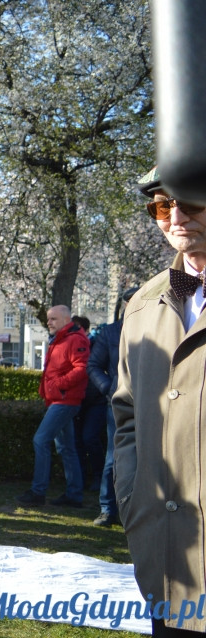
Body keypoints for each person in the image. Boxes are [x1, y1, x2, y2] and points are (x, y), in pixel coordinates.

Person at [113, 165, 206, 636]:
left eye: (189, 201)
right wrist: (132, 499)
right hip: (167, 561)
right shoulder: (145, 303)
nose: (175, 217)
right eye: (162, 206)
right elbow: (127, 413)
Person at [16, 304, 88, 507]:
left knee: (41, 440)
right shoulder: (63, 338)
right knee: (66, 448)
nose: (49, 322)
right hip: (59, 399)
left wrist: (59, 385)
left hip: (64, 400)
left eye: (53, 319)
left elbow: (82, 368)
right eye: (48, 319)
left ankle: (38, 492)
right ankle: (74, 495)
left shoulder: (73, 339)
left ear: (66, 320)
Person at [87, 287, 137, 527]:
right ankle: (108, 508)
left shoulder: (157, 327)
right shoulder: (110, 332)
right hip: (118, 401)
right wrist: (110, 389)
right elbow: (94, 365)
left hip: (152, 401)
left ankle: (137, 509)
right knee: (113, 456)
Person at [70, 315, 105, 492]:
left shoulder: (95, 344)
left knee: (89, 438)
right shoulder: (72, 344)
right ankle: (82, 478)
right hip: (79, 399)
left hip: (95, 400)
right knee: (77, 441)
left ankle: (98, 476)